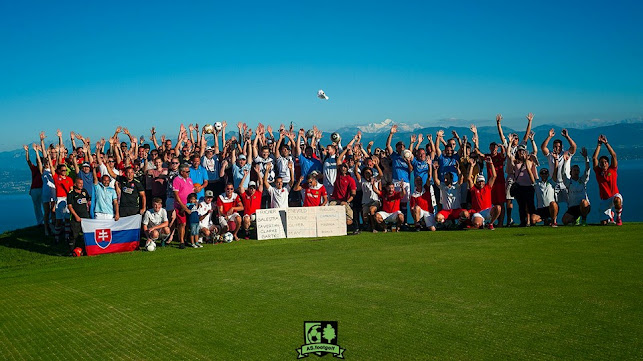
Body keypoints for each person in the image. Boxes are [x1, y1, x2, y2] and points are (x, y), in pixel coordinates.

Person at [541, 128, 577, 210]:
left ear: (562, 147)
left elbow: (574, 147)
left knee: (571, 202)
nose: (557, 148)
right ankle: (554, 220)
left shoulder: (566, 154)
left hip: (566, 182)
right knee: (553, 203)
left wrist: (567, 137)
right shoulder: (550, 155)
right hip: (554, 182)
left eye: (559, 146)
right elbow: (543, 147)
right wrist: (549, 137)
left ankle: (572, 219)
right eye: (555, 146)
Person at [592, 135, 622, 225]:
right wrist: (599, 145)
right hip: (605, 200)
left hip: (614, 196)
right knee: (604, 223)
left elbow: (613, 155)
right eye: (602, 162)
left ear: (608, 163)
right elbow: (594, 158)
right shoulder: (598, 172)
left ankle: (618, 218)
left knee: (617, 200)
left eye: (605, 162)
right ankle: (610, 215)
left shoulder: (612, 169)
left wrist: (606, 143)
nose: (604, 163)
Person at [386, 124, 413, 222]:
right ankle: (397, 221)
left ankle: (404, 221)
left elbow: (411, 169)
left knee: (404, 203)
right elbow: (388, 145)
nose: (401, 147)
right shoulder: (394, 156)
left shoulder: (408, 158)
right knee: (397, 201)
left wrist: (408, 162)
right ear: (396, 148)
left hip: (405, 182)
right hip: (396, 181)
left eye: (402, 146)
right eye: (399, 146)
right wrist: (391, 134)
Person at [466, 157, 501, 230]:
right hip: (478, 213)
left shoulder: (487, 187)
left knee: (498, 208)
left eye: (482, 181)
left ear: (484, 182)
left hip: (488, 211)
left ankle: (491, 223)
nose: (481, 183)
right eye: (479, 181)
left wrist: (491, 163)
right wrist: (472, 166)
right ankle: (481, 224)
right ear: (477, 182)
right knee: (476, 224)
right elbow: (469, 178)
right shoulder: (473, 189)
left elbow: (494, 176)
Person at [559, 148, 591, 226]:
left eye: (577, 170)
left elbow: (587, 170)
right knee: (564, 221)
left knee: (584, 202)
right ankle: (575, 219)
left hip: (583, 206)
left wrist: (586, 157)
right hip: (572, 207)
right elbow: (562, 173)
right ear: (571, 172)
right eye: (574, 170)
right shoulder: (568, 182)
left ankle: (584, 220)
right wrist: (565, 161)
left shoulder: (583, 180)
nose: (576, 172)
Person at [507, 145, 536, 227]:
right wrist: (509, 143)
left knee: (529, 204)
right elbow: (508, 154)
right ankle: (523, 221)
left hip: (529, 185)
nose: (521, 153)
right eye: (519, 151)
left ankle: (530, 221)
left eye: (523, 151)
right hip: (520, 186)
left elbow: (535, 151)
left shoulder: (530, 161)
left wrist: (532, 141)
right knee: (521, 205)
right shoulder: (516, 161)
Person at [329, 163, 358, 233]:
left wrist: (347, 202)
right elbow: (338, 160)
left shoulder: (350, 179)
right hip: (335, 200)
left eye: (345, 167)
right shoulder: (336, 176)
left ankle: (354, 228)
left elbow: (353, 194)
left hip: (345, 201)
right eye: (342, 167)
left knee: (349, 220)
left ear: (347, 169)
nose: (343, 168)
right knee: (329, 210)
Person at [66, 178, 91, 254]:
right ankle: (71, 251)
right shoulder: (71, 194)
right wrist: (76, 216)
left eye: (82, 183)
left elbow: (88, 201)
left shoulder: (84, 191)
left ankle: (85, 250)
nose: (81, 185)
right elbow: (70, 206)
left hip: (85, 217)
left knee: (86, 234)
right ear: (75, 184)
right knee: (74, 235)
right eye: (79, 183)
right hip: (76, 218)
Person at [173, 164, 195, 249]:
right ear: (182, 172)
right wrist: (184, 207)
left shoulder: (189, 180)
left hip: (189, 205)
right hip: (180, 206)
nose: (188, 173)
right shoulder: (177, 180)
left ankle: (186, 239)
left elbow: (192, 192)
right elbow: (176, 195)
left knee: (188, 224)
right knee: (182, 223)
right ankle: (181, 241)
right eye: (187, 171)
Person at [24, 144, 44, 227]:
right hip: (35, 189)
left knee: (43, 206)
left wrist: (39, 151)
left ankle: (45, 220)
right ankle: (40, 221)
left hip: (41, 188)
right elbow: (28, 160)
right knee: (37, 206)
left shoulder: (44, 169)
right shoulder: (34, 168)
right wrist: (27, 151)